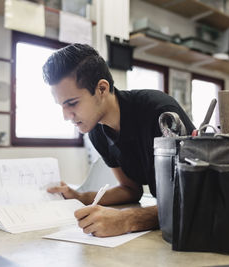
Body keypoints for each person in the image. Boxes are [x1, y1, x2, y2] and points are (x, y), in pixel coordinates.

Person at [42, 43, 195, 236]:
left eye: (72, 103)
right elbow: (130, 189)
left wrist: (128, 219)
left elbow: (194, 197)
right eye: (61, 106)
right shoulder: (97, 132)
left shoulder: (159, 111)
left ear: (102, 89)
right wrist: (80, 197)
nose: (66, 116)